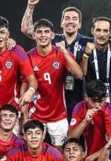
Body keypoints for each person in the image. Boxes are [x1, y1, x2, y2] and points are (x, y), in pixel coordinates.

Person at [21, 0, 92, 118]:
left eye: (74, 19)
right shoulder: (52, 39)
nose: (70, 21)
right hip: (56, 98)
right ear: (61, 22)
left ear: (79, 24)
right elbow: (27, 30)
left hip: (80, 95)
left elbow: (106, 40)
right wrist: (30, 7)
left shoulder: (88, 42)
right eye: (67, 18)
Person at [25, 18, 83, 146]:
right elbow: (25, 86)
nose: (43, 35)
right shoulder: (28, 57)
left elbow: (79, 75)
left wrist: (64, 52)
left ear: (52, 35)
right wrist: (23, 116)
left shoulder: (61, 53)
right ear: (34, 35)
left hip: (58, 115)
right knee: (34, 149)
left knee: (60, 152)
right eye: (39, 32)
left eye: (46, 32)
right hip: (36, 114)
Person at [81, 17, 111, 119]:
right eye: (98, 30)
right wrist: (86, 55)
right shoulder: (86, 50)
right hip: (93, 106)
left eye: (105, 31)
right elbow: (81, 74)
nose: (101, 34)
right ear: (92, 31)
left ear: (110, 33)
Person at [67, 80, 111, 161]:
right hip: (87, 154)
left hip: (105, 156)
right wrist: (85, 121)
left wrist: (93, 157)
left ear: (106, 97)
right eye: (93, 101)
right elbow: (70, 137)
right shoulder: (80, 107)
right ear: (86, 97)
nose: (97, 106)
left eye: (100, 101)